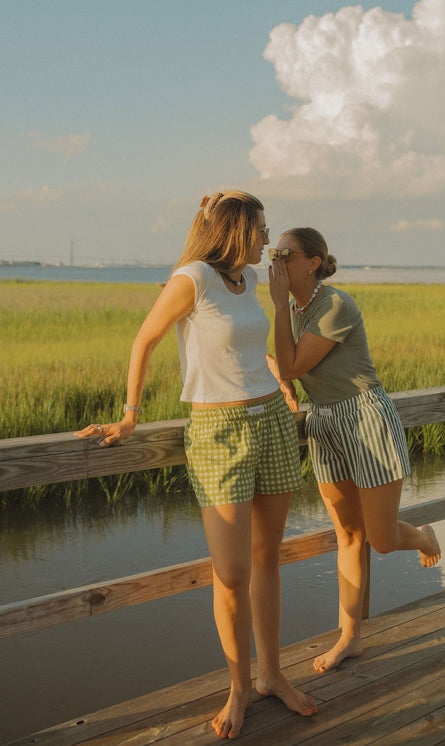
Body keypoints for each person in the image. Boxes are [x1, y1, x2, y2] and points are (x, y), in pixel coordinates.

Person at [75, 192, 317, 739]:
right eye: (260, 229)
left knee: (267, 559)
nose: (266, 239)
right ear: (238, 230)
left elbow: (248, 347)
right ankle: (238, 687)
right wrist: (130, 416)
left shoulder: (250, 282)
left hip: (273, 423)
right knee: (231, 576)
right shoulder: (193, 278)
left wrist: (280, 378)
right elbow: (146, 340)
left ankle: (272, 675)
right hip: (217, 431)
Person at [268, 227, 441, 675]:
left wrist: (281, 356)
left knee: (380, 541)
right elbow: (282, 365)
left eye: (285, 253)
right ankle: (350, 637)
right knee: (347, 535)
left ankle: (423, 536)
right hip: (324, 421)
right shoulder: (292, 309)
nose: (277, 260)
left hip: (364, 419)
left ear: (312, 261)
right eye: (273, 252)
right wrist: (283, 381)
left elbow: (290, 362)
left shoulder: (335, 304)